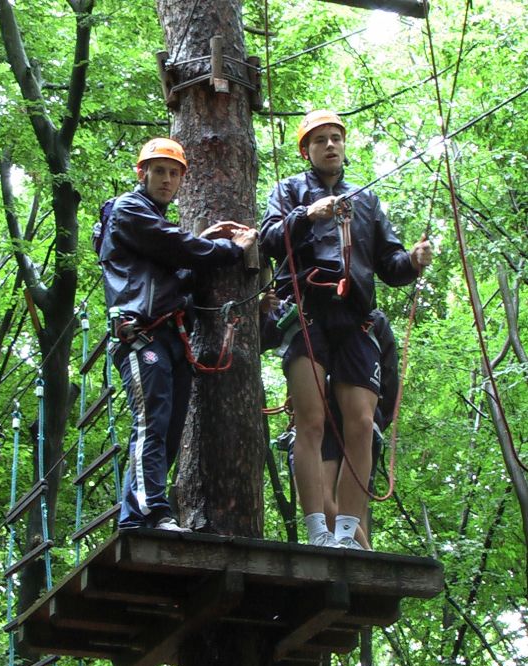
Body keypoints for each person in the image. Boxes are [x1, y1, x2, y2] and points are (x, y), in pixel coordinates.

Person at [259, 109, 431, 548]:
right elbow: (269, 240)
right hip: (307, 312)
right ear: (306, 150)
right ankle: (318, 530)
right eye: (320, 140)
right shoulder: (289, 190)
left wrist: (412, 261)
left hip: (355, 317)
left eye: (336, 138)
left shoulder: (365, 200)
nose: (330, 145)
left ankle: (346, 533)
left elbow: (387, 262)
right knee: (311, 423)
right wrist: (308, 215)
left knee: (360, 424)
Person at [99, 137, 257, 531]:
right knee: (151, 423)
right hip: (141, 334)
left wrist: (207, 246)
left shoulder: (155, 225)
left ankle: (135, 517)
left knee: (168, 429)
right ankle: (153, 510)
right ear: (142, 173)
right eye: (159, 171)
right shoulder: (127, 210)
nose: (167, 180)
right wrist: (229, 249)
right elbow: (178, 247)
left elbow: (182, 266)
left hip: (169, 335)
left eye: (174, 173)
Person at [321, 309, 399, 548]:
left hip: (363, 420)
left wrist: (378, 418)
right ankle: (363, 557)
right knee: (328, 499)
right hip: (327, 420)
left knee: (356, 503)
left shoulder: (375, 320)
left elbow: (389, 372)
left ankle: (362, 562)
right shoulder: (317, 309)